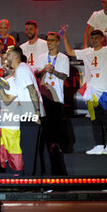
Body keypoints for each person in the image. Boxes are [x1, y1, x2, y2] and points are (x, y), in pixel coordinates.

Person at [63, 27, 107, 155]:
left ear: (102, 39)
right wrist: (65, 36)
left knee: (106, 118)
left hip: (104, 91)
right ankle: (99, 145)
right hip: (91, 91)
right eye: (92, 37)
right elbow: (69, 51)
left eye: (97, 38)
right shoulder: (86, 52)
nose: (94, 40)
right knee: (94, 119)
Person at [6, 46, 44, 176]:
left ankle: (29, 184)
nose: (5, 56)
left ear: (15, 56)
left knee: (28, 151)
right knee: (34, 152)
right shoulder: (21, 69)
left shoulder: (22, 70)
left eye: (8, 54)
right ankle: (39, 184)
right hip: (29, 114)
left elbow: (32, 90)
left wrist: (36, 113)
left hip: (30, 115)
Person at [35, 31, 69, 175]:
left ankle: (57, 160)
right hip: (44, 98)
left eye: (52, 40)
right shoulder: (41, 57)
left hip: (57, 98)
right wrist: (44, 70)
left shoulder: (63, 58)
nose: (49, 43)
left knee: (56, 131)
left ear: (58, 42)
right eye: (48, 40)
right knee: (46, 131)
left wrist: (53, 71)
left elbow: (64, 76)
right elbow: (36, 75)